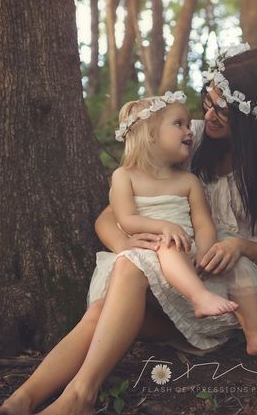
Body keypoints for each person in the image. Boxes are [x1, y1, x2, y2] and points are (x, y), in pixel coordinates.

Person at [0, 43, 257, 415]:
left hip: (235, 285)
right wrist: (128, 248)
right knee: (115, 292)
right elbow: (108, 217)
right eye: (208, 99)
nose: (208, 115)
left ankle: (78, 398)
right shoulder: (191, 138)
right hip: (174, 268)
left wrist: (238, 245)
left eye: (224, 109)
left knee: (110, 305)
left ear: (252, 115)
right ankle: (23, 399)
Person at [102, 90, 239, 319]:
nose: (189, 131)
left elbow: (203, 224)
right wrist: (164, 227)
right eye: (179, 124)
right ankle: (199, 297)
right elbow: (125, 218)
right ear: (151, 135)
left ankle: (210, 301)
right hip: (147, 252)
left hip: (185, 255)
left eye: (187, 124)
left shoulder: (188, 181)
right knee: (166, 243)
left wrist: (204, 253)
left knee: (173, 246)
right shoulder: (123, 176)